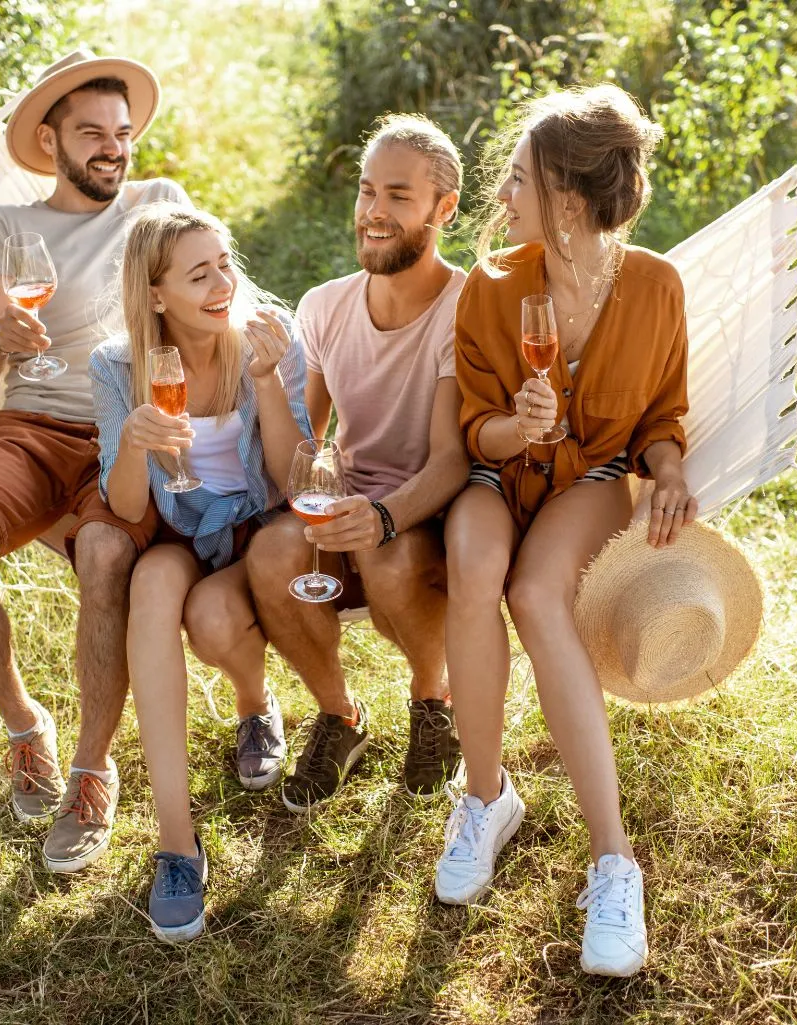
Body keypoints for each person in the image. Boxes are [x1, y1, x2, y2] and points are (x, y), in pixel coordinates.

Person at [435, 84, 696, 978]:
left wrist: (666, 469)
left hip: (589, 476)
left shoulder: (656, 286)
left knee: (536, 593)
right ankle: (485, 798)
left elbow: (661, 413)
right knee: (474, 571)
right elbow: (475, 428)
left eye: (518, 180)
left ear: (571, 201)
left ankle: (612, 861)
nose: (501, 197)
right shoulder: (492, 283)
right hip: (494, 472)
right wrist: (517, 424)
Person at [0, 50, 191, 874]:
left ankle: (90, 769)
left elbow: (210, 294)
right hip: (31, 427)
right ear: (51, 140)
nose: (113, 148)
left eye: (123, 133)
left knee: (107, 555)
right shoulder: (9, 230)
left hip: (127, 428)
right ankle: (25, 724)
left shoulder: (159, 205)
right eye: (92, 134)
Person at [89, 202, 311, 942]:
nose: (222, 284)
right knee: (152, 584)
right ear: (156, 295)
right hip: (182, 525)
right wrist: (131, 442)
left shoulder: (268, 336)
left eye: (225, 263)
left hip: (259, 523)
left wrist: (270, 379)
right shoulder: (117, 365)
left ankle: (254, 703)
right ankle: (177, 844)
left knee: (213, 619)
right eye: (198, 274)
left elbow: (290, 480)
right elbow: (124, 505)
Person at [246, 114, 470, 810]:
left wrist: (378, 517)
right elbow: (302, 457)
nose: (373, 212)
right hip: (350, 500)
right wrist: (262, 382)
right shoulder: (324, 305)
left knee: (389, 558)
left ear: (443, 208)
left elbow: (450, 460)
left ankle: (433, 702)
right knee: (269, 555)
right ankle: (340, 715)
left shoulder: (465, 306)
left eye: (398, 196)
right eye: (367, 191)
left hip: (426, 508)